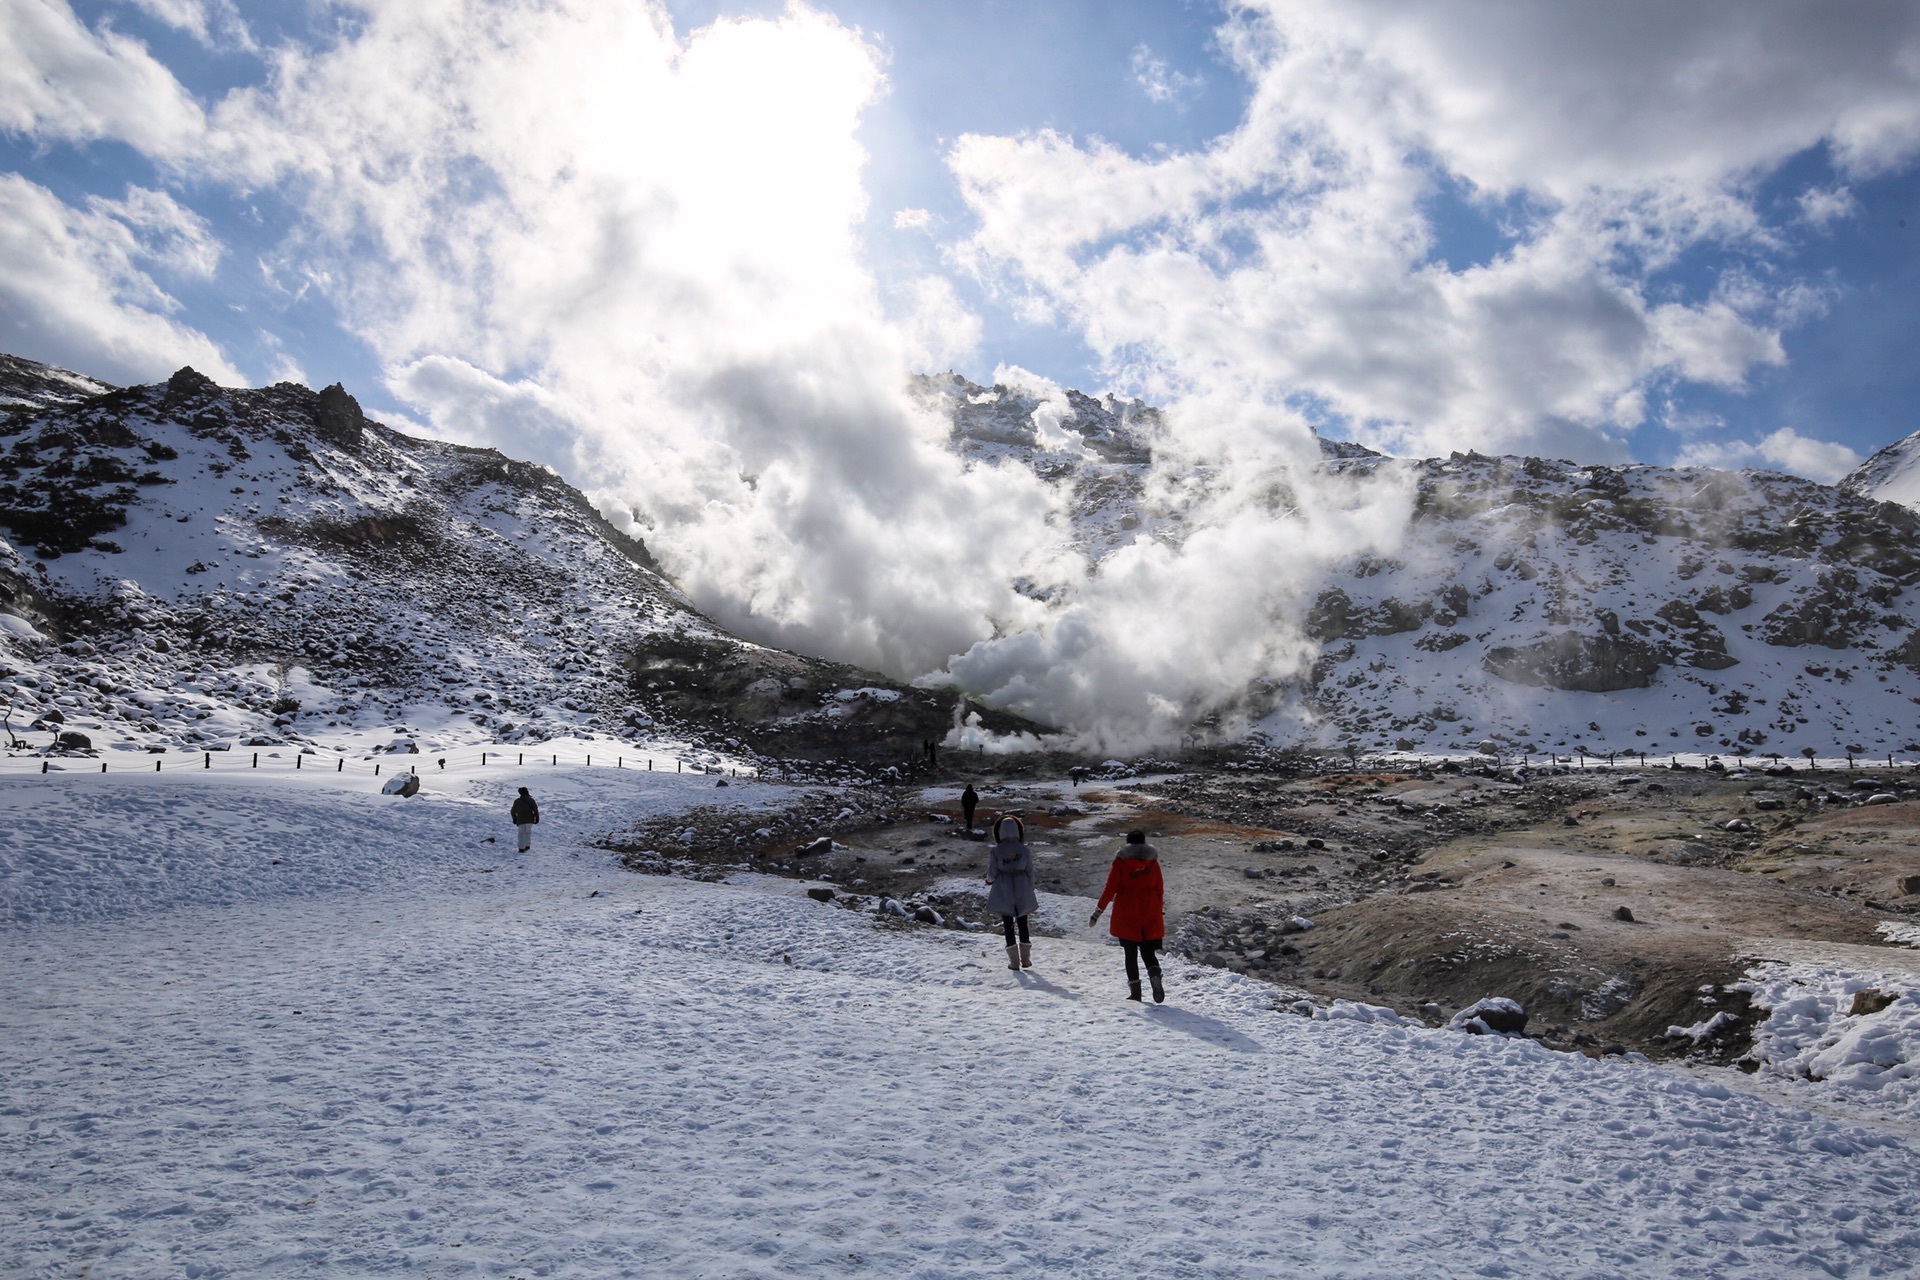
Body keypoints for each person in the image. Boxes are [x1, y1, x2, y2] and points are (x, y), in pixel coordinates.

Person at [1090, 830, 1165, 1002]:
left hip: (1127, 913)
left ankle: (1136, 993)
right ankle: (1154, 972)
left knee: (1130, 954)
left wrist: (1097, 912)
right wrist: (1159, 910)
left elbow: (1110, 889)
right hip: (1149, 911)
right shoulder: (1153, 863)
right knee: (1148, 951)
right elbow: (1159, 888)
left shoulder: (1121, 862)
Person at [984, 814, 1038, 970]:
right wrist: (1030, 888)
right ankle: (1026, 959)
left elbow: (992, 872)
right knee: (1023, 923)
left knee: (1008, 925)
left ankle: (1014, 962)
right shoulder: (1024, 850)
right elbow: (1030, 871)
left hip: (1004, 888)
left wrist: (989, 881)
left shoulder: (997, 851)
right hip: (1022, 887)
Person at [511, 786, 539, 852]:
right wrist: (537, 818)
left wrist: (514, 818)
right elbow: (535, 809)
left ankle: (521, 848)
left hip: (520, 819)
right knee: (528, 832)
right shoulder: (531, 800)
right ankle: (527, 846)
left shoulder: (517, 801)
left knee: (521, 834)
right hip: (530, 819)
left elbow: (513, 811)